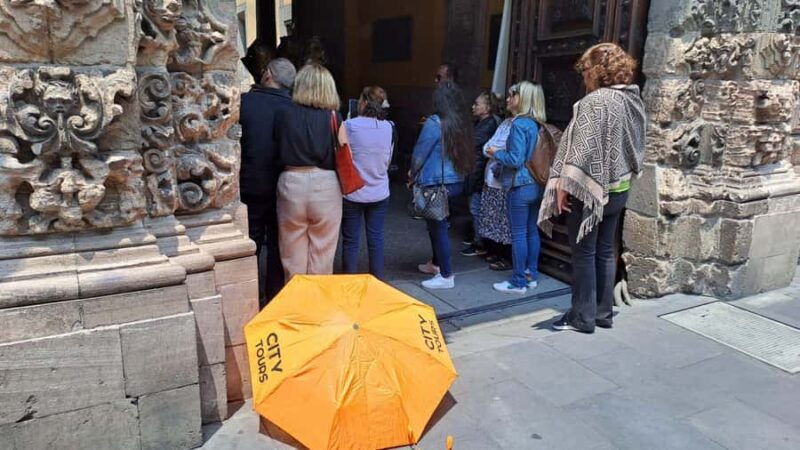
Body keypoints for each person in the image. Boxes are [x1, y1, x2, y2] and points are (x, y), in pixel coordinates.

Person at [538, 43, 646, 333]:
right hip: (619, 188)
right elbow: (634, 144)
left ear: (599, 70)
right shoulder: (631, 99)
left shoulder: (594, 102)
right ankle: (602, 313)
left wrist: (563, 185)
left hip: (589, 190)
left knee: (583, 252)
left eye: (585, 70)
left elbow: (581, 152)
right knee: (605, 251)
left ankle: (582, 317)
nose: (583, 76)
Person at [275, 64, 343, 280]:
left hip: (291, 181)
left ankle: (296, 306)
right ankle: (317, 308)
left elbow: (274, 147)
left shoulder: (283, 113)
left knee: (291, 256)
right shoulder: (334, 116)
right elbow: (344, 151)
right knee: (323, 255)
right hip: (326, 184)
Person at [239, 58, 296, 307]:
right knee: (277, 244)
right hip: (283, 186)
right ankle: (274, 297)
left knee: (250, 242)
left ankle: (246, 297)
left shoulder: (245, 103)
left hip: (249, 183)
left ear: (268, 75)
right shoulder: (294, 108)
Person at [410, 80, 474, 289]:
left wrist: (412, 173)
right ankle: (436, 264)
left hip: (436, 183)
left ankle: (446, 275)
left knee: (438, 227)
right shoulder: (461, 123)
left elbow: (421, 152)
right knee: (437, 223)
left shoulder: (434, 123)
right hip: (455, 181)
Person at [487, 82, 547, 294]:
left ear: (524, 99)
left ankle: (518, 281)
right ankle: (531, 275)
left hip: (520, 185)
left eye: (513, 95)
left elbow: (514, 159)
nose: (508, 99)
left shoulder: (520, 124)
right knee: (531, 230)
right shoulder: (537, 124)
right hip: (536, 184)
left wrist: (495, 152)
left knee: (519, 234)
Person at [340, 86, 394, 280]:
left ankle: (349, 283)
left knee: (351, 241)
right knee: (376, 239)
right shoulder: (389, 127)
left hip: (354, 192)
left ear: (362, 102)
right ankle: (378, 282)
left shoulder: (349, 125)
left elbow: (342, 155)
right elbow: (388, 160)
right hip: (379, 191)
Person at [461, 92, 501, 257]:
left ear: (487, 107)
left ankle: (480, 242)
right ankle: (478, 238)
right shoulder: (481, 122)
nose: (473, 106)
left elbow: (471, 143)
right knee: (474, 206)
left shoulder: (488, 125)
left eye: (477, 104)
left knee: (475, 207)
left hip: (478, 171)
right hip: (475, 169)